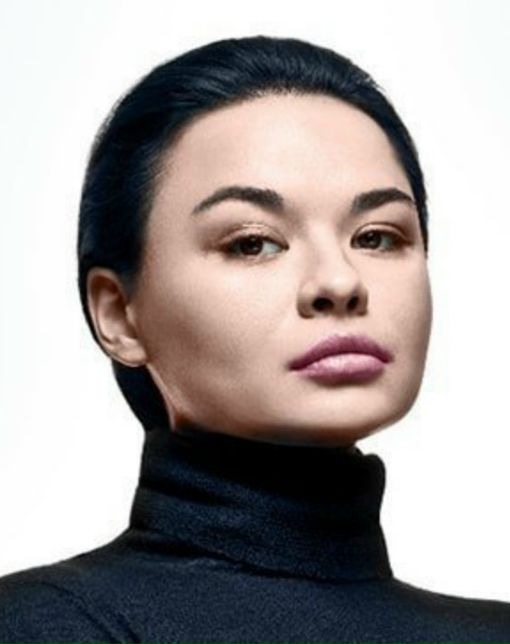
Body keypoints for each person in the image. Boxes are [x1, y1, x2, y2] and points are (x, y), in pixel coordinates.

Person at [0, 34, 509, 644]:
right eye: (252, 243)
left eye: (376, 236)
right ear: (119, 315)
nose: (339, 282)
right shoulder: (44, 625)